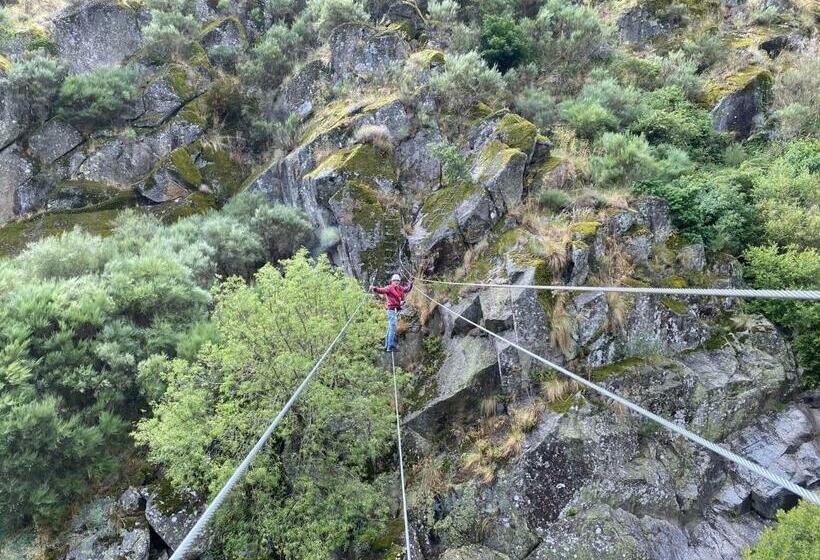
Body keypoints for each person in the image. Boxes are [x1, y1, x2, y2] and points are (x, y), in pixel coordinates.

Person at [370, 274, 413, 352]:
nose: (396, 282)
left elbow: (407, 289)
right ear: (392, 281)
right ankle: (390, 346)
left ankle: (387, 346)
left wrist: (411, 283)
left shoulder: (400, 288)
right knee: (393, 326)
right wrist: (374, 288)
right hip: (391, 310)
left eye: (398, 281)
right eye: (395, 281)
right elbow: (381, 290)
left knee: (391, 327)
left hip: (396, 309)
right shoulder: (389, 288)